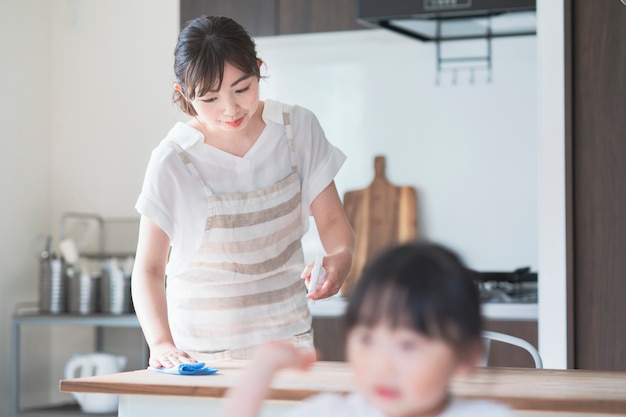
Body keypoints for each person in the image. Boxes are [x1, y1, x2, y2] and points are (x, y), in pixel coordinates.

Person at [131, 15, 354, 369]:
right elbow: (148, 269)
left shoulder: (297, 129)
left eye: (242, 88)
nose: (231, 109)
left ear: (259, 70)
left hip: (288, 346)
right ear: (183, 95)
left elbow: (331, 220)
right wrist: (160, 343)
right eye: (209, 98)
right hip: (199, 357)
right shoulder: (172, 161)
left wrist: (339, 259)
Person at [218, 242, 515, 417]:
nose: (381, 364)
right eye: (367, 339)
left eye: (407, 344)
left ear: (467, 355)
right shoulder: (333, 412)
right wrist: (262, 370)